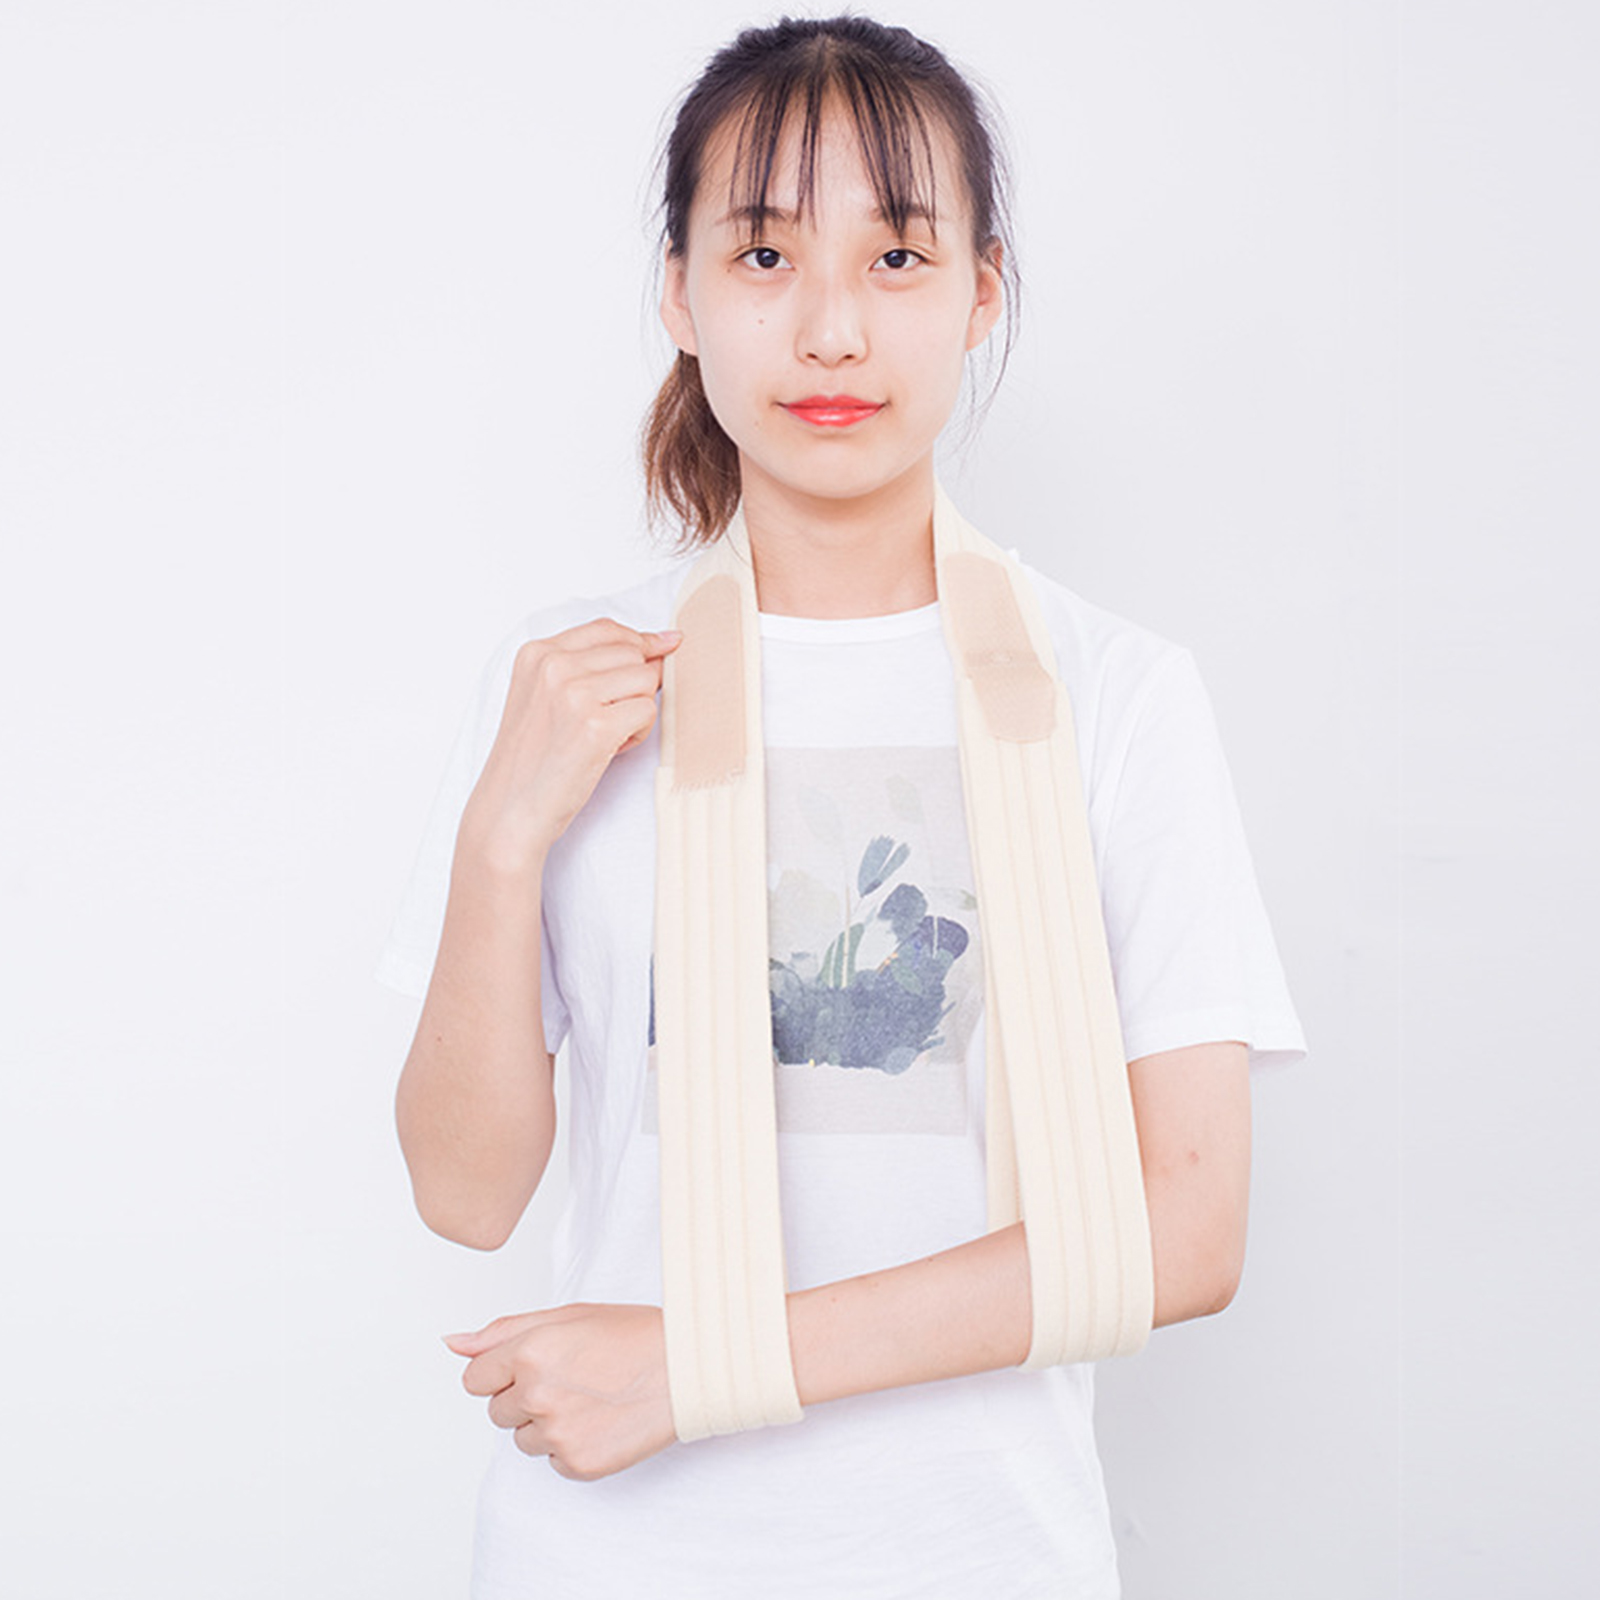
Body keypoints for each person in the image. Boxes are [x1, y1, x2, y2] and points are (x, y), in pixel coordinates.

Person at [377, 14, 1307, 1598]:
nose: (828, 331)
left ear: (981, 292)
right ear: (679, 293)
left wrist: (704, 1367)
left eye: (895, 258)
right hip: (605, 1560)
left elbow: (1189, 1226)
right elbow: (465, 1199)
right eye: (762, 256)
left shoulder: (1115, 695)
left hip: (982, 1556)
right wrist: (501, 835)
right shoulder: (565, 689)